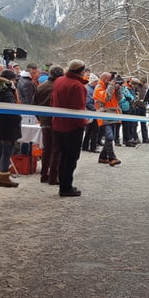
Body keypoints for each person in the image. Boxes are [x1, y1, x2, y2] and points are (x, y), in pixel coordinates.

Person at [51, 60, 88, 197]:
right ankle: (66, 187)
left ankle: (63, 184)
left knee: (63, 156)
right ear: (80, 71)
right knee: (71, 158)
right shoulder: (78, 86)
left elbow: (52, 100)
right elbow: (79, 108)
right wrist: (82, 123)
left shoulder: (59, 81)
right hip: (72, 127)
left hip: (58, 124)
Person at [0, 69, 21, 188]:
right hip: (8, 127)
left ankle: (0, 176)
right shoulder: (7, 92)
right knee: (6, 153)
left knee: (1, 152)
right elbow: (11, 111)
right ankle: (4, 178)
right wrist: (18, 119)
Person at [34, 64, 64, 184]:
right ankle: (53, 176)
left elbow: (34, 104)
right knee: (56, 150)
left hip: (44, 121)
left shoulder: (41, 87)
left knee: (47, 149)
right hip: (56, 121)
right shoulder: (59, 87)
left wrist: (40, 118)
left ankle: (44, 174)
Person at [93, 72, 122, 167]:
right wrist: (111, 87)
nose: (111, 81)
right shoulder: (98, 88)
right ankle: (112, 158)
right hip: (104, 115)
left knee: (110, 138)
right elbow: (105, 98)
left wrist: (117, 89)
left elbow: (119, 99)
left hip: (113, 114)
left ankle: (102, 157)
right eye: (109, 79)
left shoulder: (109, 87)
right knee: (109, 137)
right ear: (105, 79)